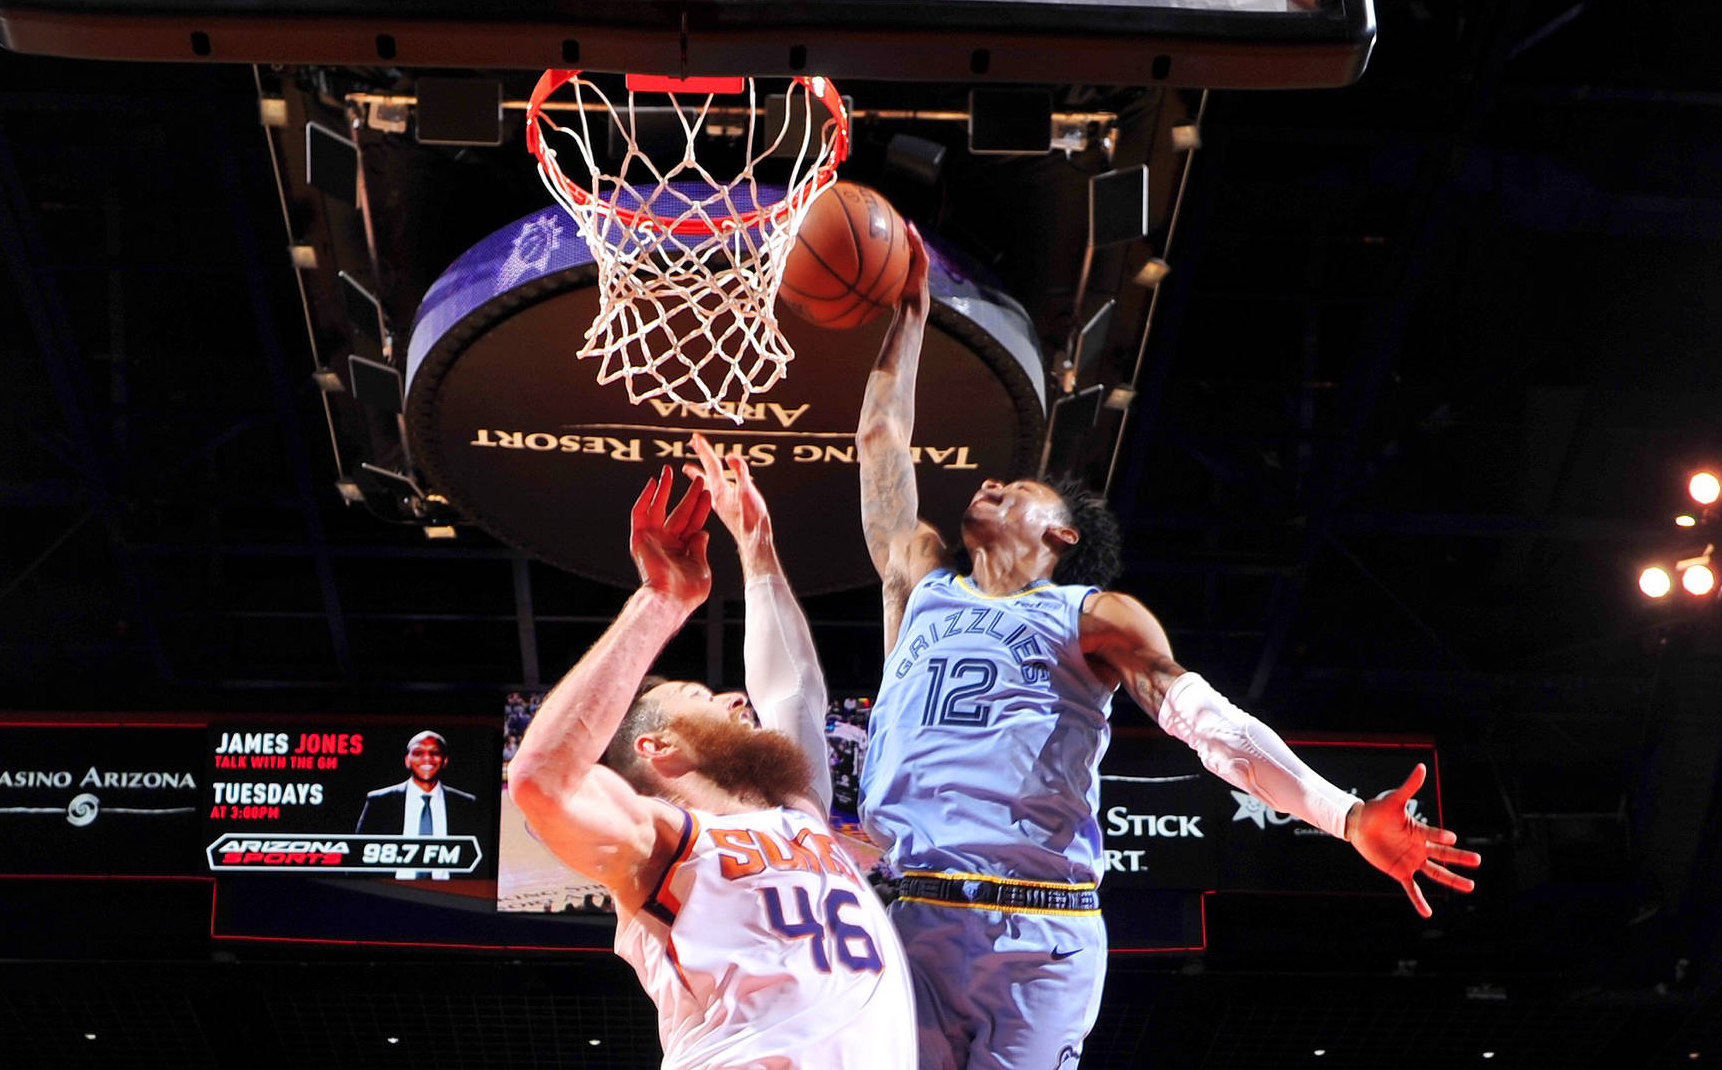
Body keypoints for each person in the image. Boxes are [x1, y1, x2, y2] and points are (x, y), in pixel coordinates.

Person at [854, 224, 1482, 1069]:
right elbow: (881, 443)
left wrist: (1342, 814)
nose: (990, 482)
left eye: (1018, 488)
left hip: (1038, 927)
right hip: (911, 913)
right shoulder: (919, 581)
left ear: (1063, 535)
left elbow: (1205, 724)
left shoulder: (1093, 616)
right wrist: (910, 317)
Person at [509, 434, 917, 1069]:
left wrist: (757, 546)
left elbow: (794, 694)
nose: (733, 697)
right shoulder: (656, 840)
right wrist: (660, 601)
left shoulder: (798, 814)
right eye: (699, 696)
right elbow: (540, 779)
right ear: (656, 745)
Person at [356, 730, 478, 880]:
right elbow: (357, 857)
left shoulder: (466, 804)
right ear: (407, 760)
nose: (427, 758)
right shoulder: (380, 802)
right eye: (418, 753)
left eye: (434, 753)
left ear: (445, 760)